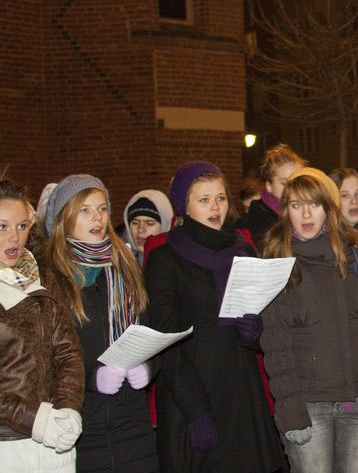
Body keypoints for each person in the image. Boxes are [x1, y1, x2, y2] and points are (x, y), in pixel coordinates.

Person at [145, 161, 282, 472]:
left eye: (220, 198)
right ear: (184, 206)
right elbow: (165, 342)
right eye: (203, 200)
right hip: (192, 399)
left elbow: (261, 321)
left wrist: (253, 334)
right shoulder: (165, 258)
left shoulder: (243, 250)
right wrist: (196, 412)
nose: (215, 207)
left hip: (241, 394)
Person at [260, 167, 358, 473]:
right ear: (286, 211)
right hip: (309, 406)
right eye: (296, 205)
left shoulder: (354, 254)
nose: (306, 214)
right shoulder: (277, 261)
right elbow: (275, 344)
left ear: (328, 209)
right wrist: (290, 410)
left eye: (315, 204)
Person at [41, 174, 158, 471]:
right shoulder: (50, 277)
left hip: (133, 423)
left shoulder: (124, 268)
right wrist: (93, 377)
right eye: (85, 210)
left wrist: (148, 366)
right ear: (64, 218)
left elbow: (148, 334)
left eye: (102, 208)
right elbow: (44, 358)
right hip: (82, 426)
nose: (98, 217)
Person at [0, 180, 84, 472]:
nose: (14, 237)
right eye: (2, 227)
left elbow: (67, 352)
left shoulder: (42, 277)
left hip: (53, 441)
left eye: (22, 226)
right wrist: (36, 419)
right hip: (7, 443)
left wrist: (68, 409)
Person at [238, 143, 305, 243]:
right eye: (284, 183)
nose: (292, 189)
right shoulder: (253, 225)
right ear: (269, 186)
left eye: (298, 182)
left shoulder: (311, 214)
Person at [122, 190, 173, 263]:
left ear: (165, 226)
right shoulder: (120, 264)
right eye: (135, 223)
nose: (140, 229)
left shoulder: (178, 265)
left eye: (150, 223)